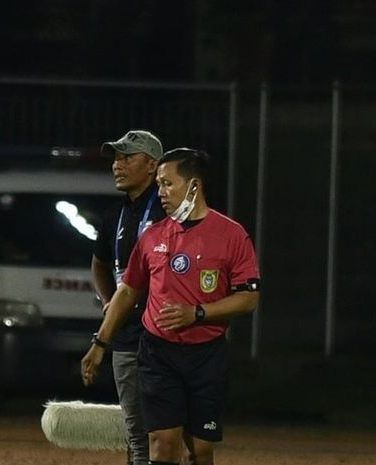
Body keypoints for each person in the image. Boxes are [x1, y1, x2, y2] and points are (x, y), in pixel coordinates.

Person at [81, 148, 260, 465]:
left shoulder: (232, 234)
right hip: (157, 353)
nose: (160, 192)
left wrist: (198, 313)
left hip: (206, 354)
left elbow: (249, 298)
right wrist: (100, 343)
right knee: (162, 445)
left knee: (200, 451)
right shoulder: (152, 236)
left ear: (193, 186)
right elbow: (127, 291)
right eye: (159, 184)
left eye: (167, 184)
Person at [92, 130, 166, 465]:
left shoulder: (169, 212)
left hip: (165, 334)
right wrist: (109, 302)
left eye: (127, 157)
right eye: (116, 159)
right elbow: (99, 264)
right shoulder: (114, 215)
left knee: (168, 432)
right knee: (136, 434)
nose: (117, 166)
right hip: (126, 335)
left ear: (152, 166)